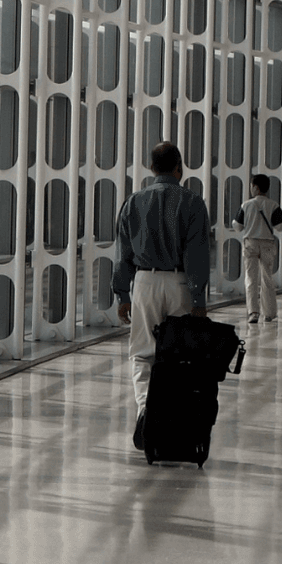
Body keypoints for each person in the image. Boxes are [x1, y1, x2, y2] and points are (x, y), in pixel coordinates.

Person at [112, 142, 212, 439]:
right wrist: (198, 298)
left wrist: (122, 295)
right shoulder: (193, 202)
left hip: (145, 282)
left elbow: (123, 254)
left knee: (143, 353)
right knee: (180, 354)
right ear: (179, 167)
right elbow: (197, 255)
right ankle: (173, 419)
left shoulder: (133, 202)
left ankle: (145, 409)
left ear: (151, 167)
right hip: (180, 283)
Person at [236, 174, 282, 323]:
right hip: (267, 244)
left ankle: (253, 313)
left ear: (256, 187)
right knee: (267, 278)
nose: (251, 189)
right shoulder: (273, 205)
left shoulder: (246, 205)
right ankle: (269, 313)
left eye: (251, 186)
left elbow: (237, 226)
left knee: (251, 278)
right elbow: (281, 226)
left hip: (250, 243)